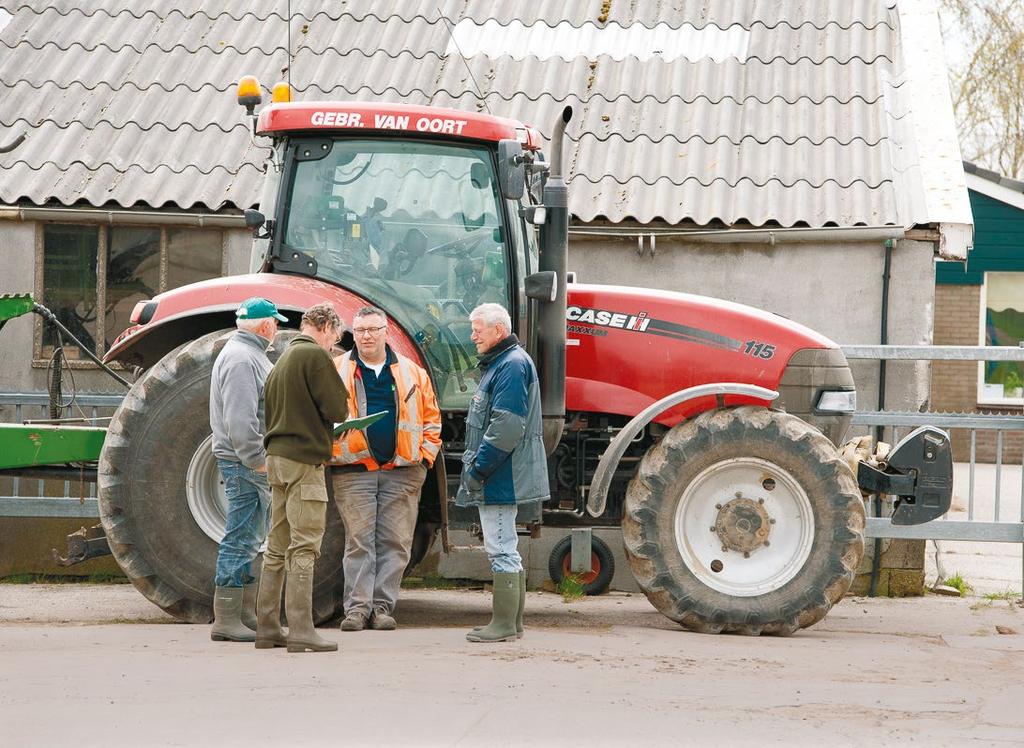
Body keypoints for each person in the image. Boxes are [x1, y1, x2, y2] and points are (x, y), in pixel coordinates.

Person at [331, 306, 442, 632]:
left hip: (403, 471)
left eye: (373, 330)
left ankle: (382, 609)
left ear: (385, 332)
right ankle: (356, 610)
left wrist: (424, 458)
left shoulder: (412, 373)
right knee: (359, 542)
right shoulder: (336, 370)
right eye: (361, 330)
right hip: (353, 471)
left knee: (395, 542)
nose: (366, 336)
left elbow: (431, 419)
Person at [256, 302, 348, 653]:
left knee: (276, 546)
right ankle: (301, 629)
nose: (333, 344)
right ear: (325, 326)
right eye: (335, 337)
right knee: (305, 545)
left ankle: (267, 626)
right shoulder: (314, 357)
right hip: (303, 461)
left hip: (277, 459)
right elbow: (338, 409)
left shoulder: (281, 360)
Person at [456, 302, 550, 643]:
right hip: (503, 471)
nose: (473, 336)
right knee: (506, 544)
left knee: (500, 547)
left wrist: (479, 468)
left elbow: (506, 426)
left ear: (498, 331)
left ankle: (504, 624)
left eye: (478, 330)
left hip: (500, 473)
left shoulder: (508, 366)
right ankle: (512, 623)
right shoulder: (508, 363)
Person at [209, 297, 287, 642]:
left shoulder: (245, 353)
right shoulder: (243, 359)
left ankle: (241, 614)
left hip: (243, 458)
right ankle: (226, 620)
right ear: (267, 325)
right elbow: (241, 419)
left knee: (248, 535)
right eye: (277, 323)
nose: (278, 329)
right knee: (241, 537)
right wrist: (257, 459)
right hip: (244, 460)